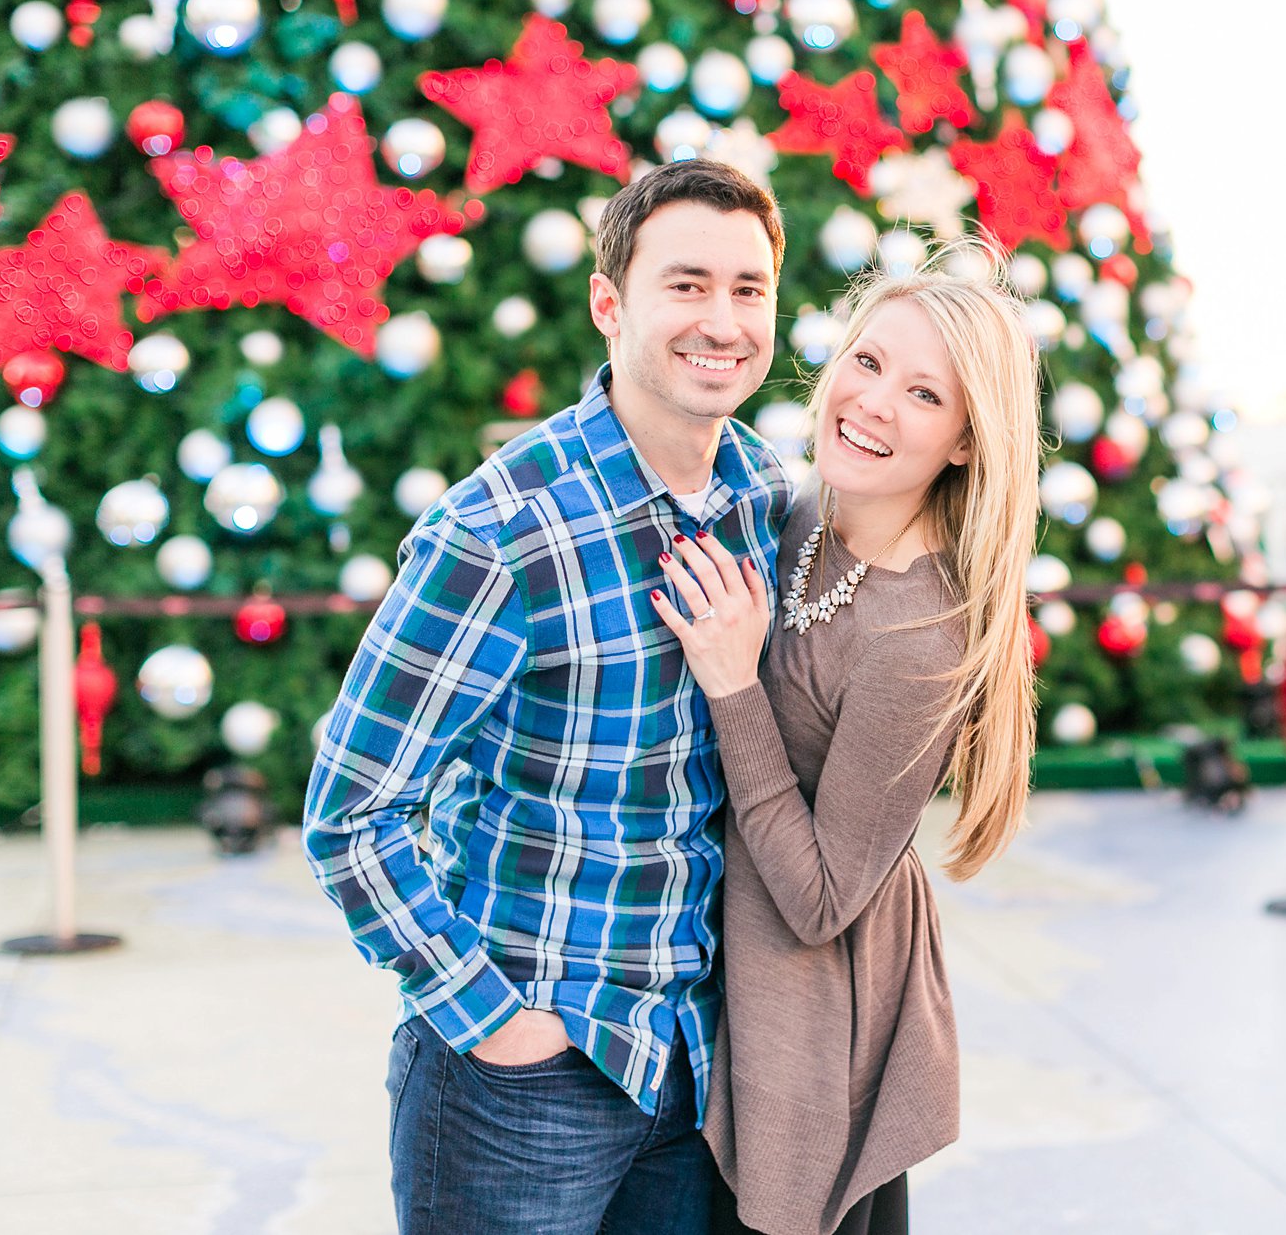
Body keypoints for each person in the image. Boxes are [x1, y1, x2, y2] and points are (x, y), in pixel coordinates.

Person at [302, 158, 791, 1235]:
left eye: (747, 289)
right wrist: (492, 1022)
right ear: (609, 303)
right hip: (523, 1078)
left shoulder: (762, 497)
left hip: (690, 1065)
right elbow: (350, 812)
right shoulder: (500, 531)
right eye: (687, 284)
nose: (722, 319)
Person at [646, 257, 1043, 1235]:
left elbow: (822, 900)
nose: (871, 403)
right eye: (866, 362)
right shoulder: (795, 514)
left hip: (811, 1007)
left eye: (921, 394)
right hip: (709, 961)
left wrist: (734, 685)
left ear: (962, 442)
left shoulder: (920, 637)